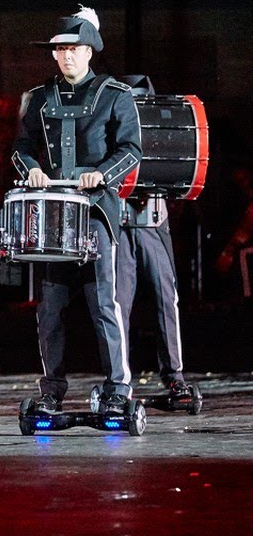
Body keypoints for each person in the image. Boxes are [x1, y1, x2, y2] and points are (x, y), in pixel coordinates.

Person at [12, 6, 141, 416]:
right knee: (50, 308)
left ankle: (118, 387)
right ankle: (51, 389)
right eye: (61, 49)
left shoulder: (115, 95)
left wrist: (101, 175)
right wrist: (31, 168)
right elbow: (21, 147)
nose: (67, 55)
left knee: (104, 303)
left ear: (90, 51)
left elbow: (131, 149)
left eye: (75, 48)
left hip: (98, 214)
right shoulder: (39, 97)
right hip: (52, 217)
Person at [115, 75, 192, 398]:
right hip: (118, 220)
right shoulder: (112, 121)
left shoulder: (159, 126)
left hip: (153, 219)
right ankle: (119, 380)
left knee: (165, 296)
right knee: (118, 302)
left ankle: (173, 374)